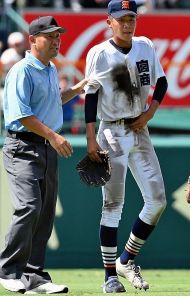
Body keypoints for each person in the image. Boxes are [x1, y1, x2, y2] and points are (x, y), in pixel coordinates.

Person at [84, 0, 168, 293]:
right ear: (109, 22)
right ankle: (109, 275)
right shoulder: (99, 53)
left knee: (158, 201)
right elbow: (91, 95)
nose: (127, 23)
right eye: (121, 19)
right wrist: (91, 137)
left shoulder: (145, 46)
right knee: (112, 205)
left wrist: (150, 113)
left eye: (131, 17)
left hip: (139, 128)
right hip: (112, 133)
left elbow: (162, 82)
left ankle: (126, 258)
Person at [0, 16, 87, 294]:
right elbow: (21, 115)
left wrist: (77, 89)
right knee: (29, 207)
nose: (55, 41)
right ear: (33, 40)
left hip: (46, 148)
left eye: (58, 36)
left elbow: (52, 101)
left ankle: (34, 276)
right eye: (49, 36)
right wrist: (53, 134)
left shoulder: (49, 69)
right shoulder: (21, 70)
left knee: (46, 213)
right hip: (22, 147)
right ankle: (7, 270)